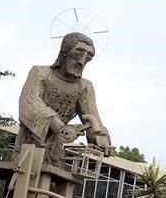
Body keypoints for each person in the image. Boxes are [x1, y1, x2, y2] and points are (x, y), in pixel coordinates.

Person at [15, 32, 112, 165]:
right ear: (65, 51)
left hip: (56, 151)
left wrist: (101, 138)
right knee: (23, 179)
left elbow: (92, 116)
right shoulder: (40, 73)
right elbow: (29, 102)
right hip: (28, 145)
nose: (82, 61)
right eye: (79, 52)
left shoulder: (84, 87)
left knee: (52, 181)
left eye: (88, 57)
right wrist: (58, 126)